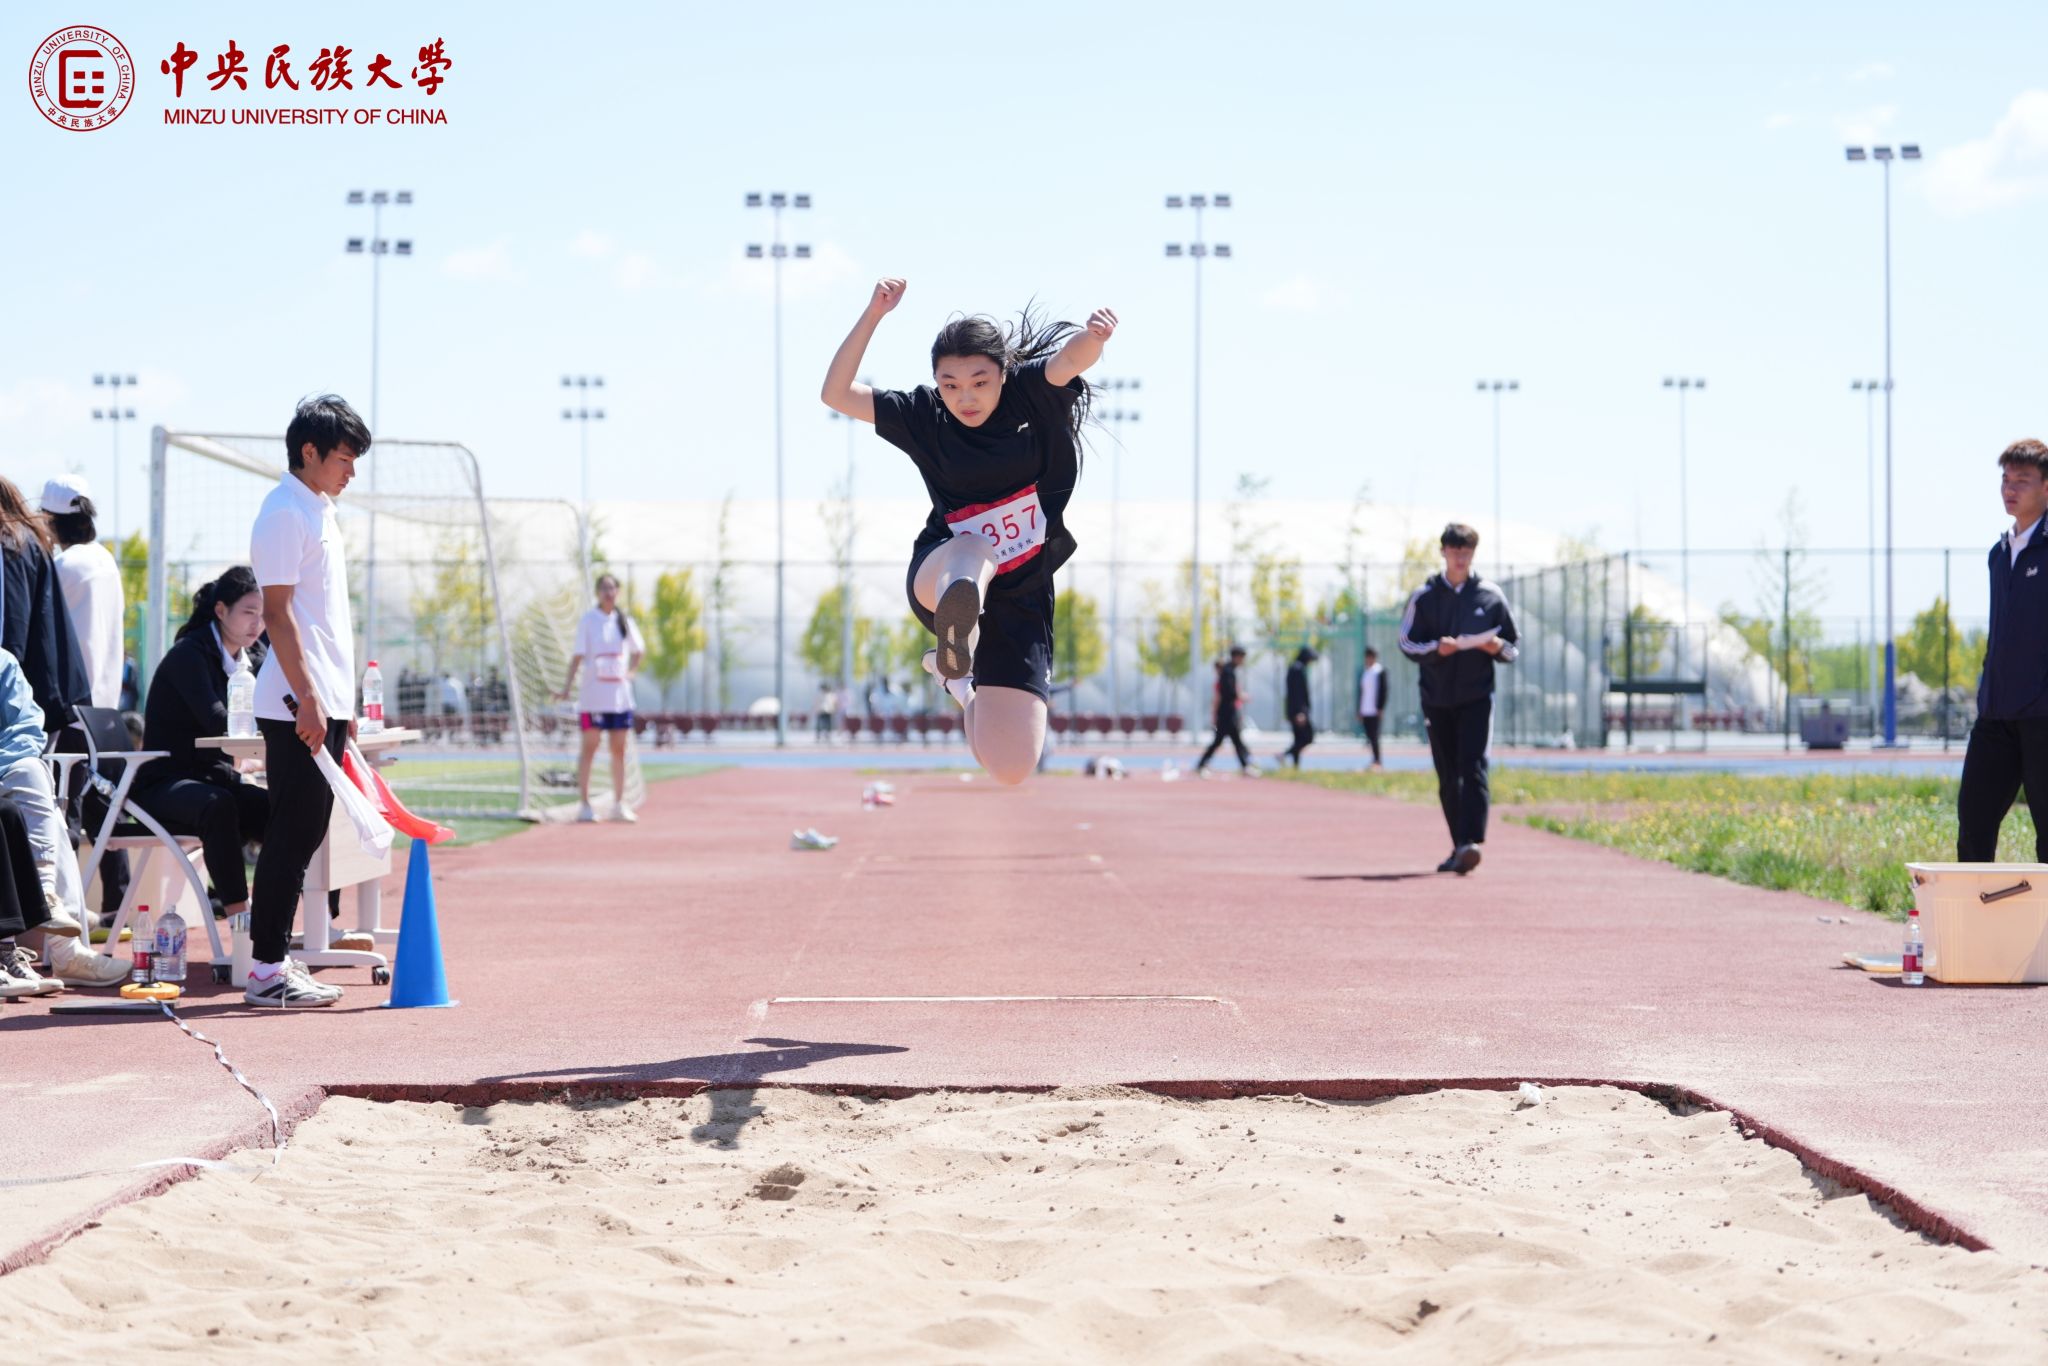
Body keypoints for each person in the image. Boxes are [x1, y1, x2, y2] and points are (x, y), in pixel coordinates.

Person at [821, 278, 1114, 785]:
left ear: (1003, 374)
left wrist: (1096, 337)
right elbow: (836, 394)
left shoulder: (1029, 394)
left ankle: (956, 681)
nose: (965, 397)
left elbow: (1070, 360)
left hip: (1022, 593)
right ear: (937, 383)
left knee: (1010, 765)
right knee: (978, 547)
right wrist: (873, 315)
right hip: (946, 571)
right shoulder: (925, 416)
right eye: (950, 384)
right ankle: (960, 625)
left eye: (980, 382)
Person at [245, 394, 368, 1008]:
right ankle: (266, 970)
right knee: (291, 835)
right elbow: (277, 614)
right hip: (296, 703)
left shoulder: (320, 511)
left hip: (323, 699)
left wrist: (342, 702)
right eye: (344, 458)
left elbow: (324, 620)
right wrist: (311, 699)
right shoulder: (283, 512)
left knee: (307, 833)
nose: (351, 472)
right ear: (310, 451)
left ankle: (274, 963)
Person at [130, 568, 273, 936]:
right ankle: (243, 927)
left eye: (263, 614)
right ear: (221, 610)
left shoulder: (255, 656)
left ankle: (285, 918)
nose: (257, 623)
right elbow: (218, 721)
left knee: (285, 812)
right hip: (163, 783)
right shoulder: (189, 655)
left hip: (215, 778)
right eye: (248, 612)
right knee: (218, 806)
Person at [0, 647, 126, 988]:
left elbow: (27, 732)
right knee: (35, 800)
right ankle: (65, 949)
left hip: (4, 772)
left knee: (32, 776)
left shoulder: (3, 664)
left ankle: (49, 902)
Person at [1399, 522, 1520, 875]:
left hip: (1477, 696)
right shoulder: (1424, 596)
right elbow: (1406, 643)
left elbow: (1512, 647)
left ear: (1473, 554)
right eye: (1455, 551)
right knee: (1448, 774)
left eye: (1466, 552)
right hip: (1436, 698)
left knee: (1474, 766)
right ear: (1443, 552)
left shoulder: (1490, 595)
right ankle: (1459, 846)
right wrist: (1437, 649)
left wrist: (1496, 647)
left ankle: (1471, 843)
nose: (1461, 558)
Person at [42, 473, 131, 919]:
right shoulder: (105, 560)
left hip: (73, 708)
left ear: (50, 520)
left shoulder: (64, 566)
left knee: (66, 810)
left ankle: (67, 911)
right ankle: (117, 905)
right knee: (105, 806)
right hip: (106, 707)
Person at [1958, 439, 2048, 861]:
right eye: (2005, 480)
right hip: (1995, 718)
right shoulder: (1999, 553)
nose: (2010, 489)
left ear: (2046, 487)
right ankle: (1973, 907)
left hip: (2043, 718)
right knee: (1973, 825)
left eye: (2022, 480)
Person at [556, 572, 646, 822]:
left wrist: (631, 671)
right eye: (604, 588)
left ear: (618, 592)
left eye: (612, 588)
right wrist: (566, 688)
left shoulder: (624, 621)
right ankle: (585, 805)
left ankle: (619, 803)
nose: (609, 593)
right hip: (593, 698)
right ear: (598, 592)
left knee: (619, 749)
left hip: (619, 698)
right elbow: (577, 655)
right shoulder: (589, 621)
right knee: (590, 747)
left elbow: (639, 650)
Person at [1197, 646, 1256, 776]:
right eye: (1242, 658)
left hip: (1228, 712)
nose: (1243, 661)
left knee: (1235, 740)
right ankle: (1202, 764)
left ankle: (1245, 765)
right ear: (1237, 657)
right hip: (1227, 713)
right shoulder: (1228, 672)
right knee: (1224, 740)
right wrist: (1240, 696)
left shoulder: (1229, 671)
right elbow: (1227, 693)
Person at [1279, 646, 1318, 768]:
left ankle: (1295, 765)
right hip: (1298, 711)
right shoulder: (1297, 669)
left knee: (1298, 738)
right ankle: (1285, 755)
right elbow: (1297, 693)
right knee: (1308, 737)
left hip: (1294, 710)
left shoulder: (1295, 668)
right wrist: (1301, 712)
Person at [1358, 646, 1388, 770]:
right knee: (1369, 735)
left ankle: (1377, 760)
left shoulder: (1379, 671)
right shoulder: (1365, 672)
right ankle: (1374, 759)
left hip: (1375, 709)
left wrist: (1380, 707)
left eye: (1370, 657)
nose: (1368, 660)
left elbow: (1384, 690)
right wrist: (1359, 709)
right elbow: (1362, 692)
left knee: (1375, 735)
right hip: (1365, 708)